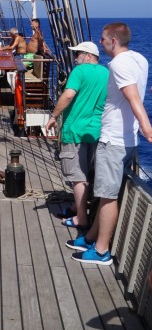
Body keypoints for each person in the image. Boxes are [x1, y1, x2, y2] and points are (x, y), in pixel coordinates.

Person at [69, 23, 152, 265]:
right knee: (107, 194)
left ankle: (102, 250)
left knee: (106, 197)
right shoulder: (140, 60)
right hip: (127, 140)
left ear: (113, 41)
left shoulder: (117, 64)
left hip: (113, 140)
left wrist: (147, 128)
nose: (101, 42)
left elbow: (132, 96)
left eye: (104, 39)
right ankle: (93, 236)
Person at [44, 41, 108, 230]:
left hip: (75, 131)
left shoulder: (79, 72)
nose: (74, 58)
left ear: (88, 56)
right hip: (95, 132)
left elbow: (69, 95)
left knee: (78, 177)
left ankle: (81, 217)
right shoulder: (106, 73)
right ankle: (76, 206)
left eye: (77, 54)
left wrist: (53, 116)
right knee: (87, 173)